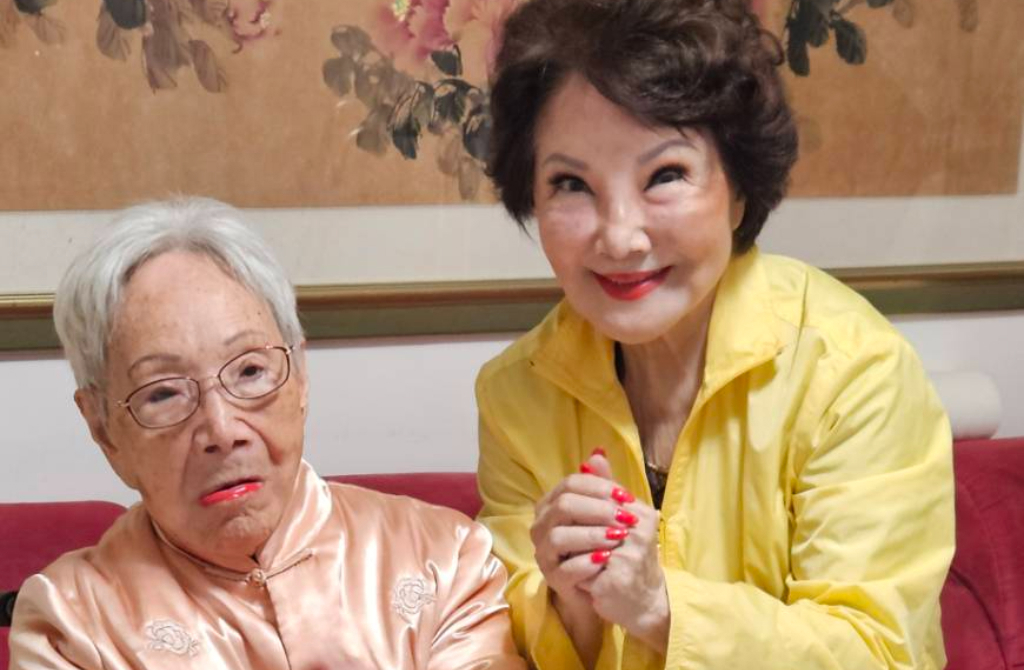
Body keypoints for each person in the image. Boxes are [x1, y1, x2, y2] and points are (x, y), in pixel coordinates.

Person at [475, 0, 955, 668]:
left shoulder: (853, 372)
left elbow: (878, 652)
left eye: (665, 175)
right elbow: (495, 641)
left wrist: (660, 607)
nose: (620, 237)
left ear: (739, 190)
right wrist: (570, 604)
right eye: (571, 183)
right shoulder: (515, 393)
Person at [9, 198, 526, 670]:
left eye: (250, 371)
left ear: (300, 375)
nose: (221, 430)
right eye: (163, 393)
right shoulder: (70, 624)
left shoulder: (444, 557)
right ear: (103, 429)